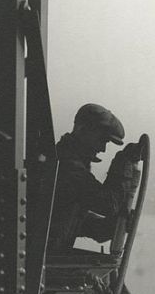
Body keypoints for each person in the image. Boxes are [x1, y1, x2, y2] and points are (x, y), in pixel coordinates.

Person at [48, 103, 137, 251]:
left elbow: (73, 221)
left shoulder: (63, 160)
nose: (102, 149)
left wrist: (113, 226)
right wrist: (123, 164)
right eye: (102, 140)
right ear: (83, 130)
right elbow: (109, 204)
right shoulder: (67, 167)